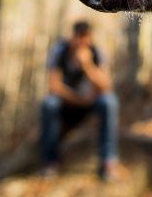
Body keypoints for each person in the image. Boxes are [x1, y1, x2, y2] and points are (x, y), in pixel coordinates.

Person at [39, 20, 118, 180]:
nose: (82, 42)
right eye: (79, 37)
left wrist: (87, 65)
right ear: (72, 36)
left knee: (109, 102)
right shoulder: (60, 50)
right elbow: (54, 85)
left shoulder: (96, 52)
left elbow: (106, 86)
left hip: (91, 102)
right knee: (48, 104)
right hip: (67, 103)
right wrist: (79, 100)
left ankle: (107, 162)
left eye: (86, 37)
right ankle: (50, 162)